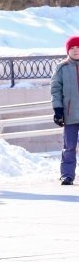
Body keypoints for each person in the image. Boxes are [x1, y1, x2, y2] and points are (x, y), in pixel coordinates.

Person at [51, 35, 79, 185]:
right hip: (70, 114)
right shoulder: (62, 68)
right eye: (72, 48)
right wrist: (58, 110)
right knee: (69, 146)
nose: (75, 51)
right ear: (68, 50)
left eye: (78, 48)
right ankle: (67, 174)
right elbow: (56, 90)